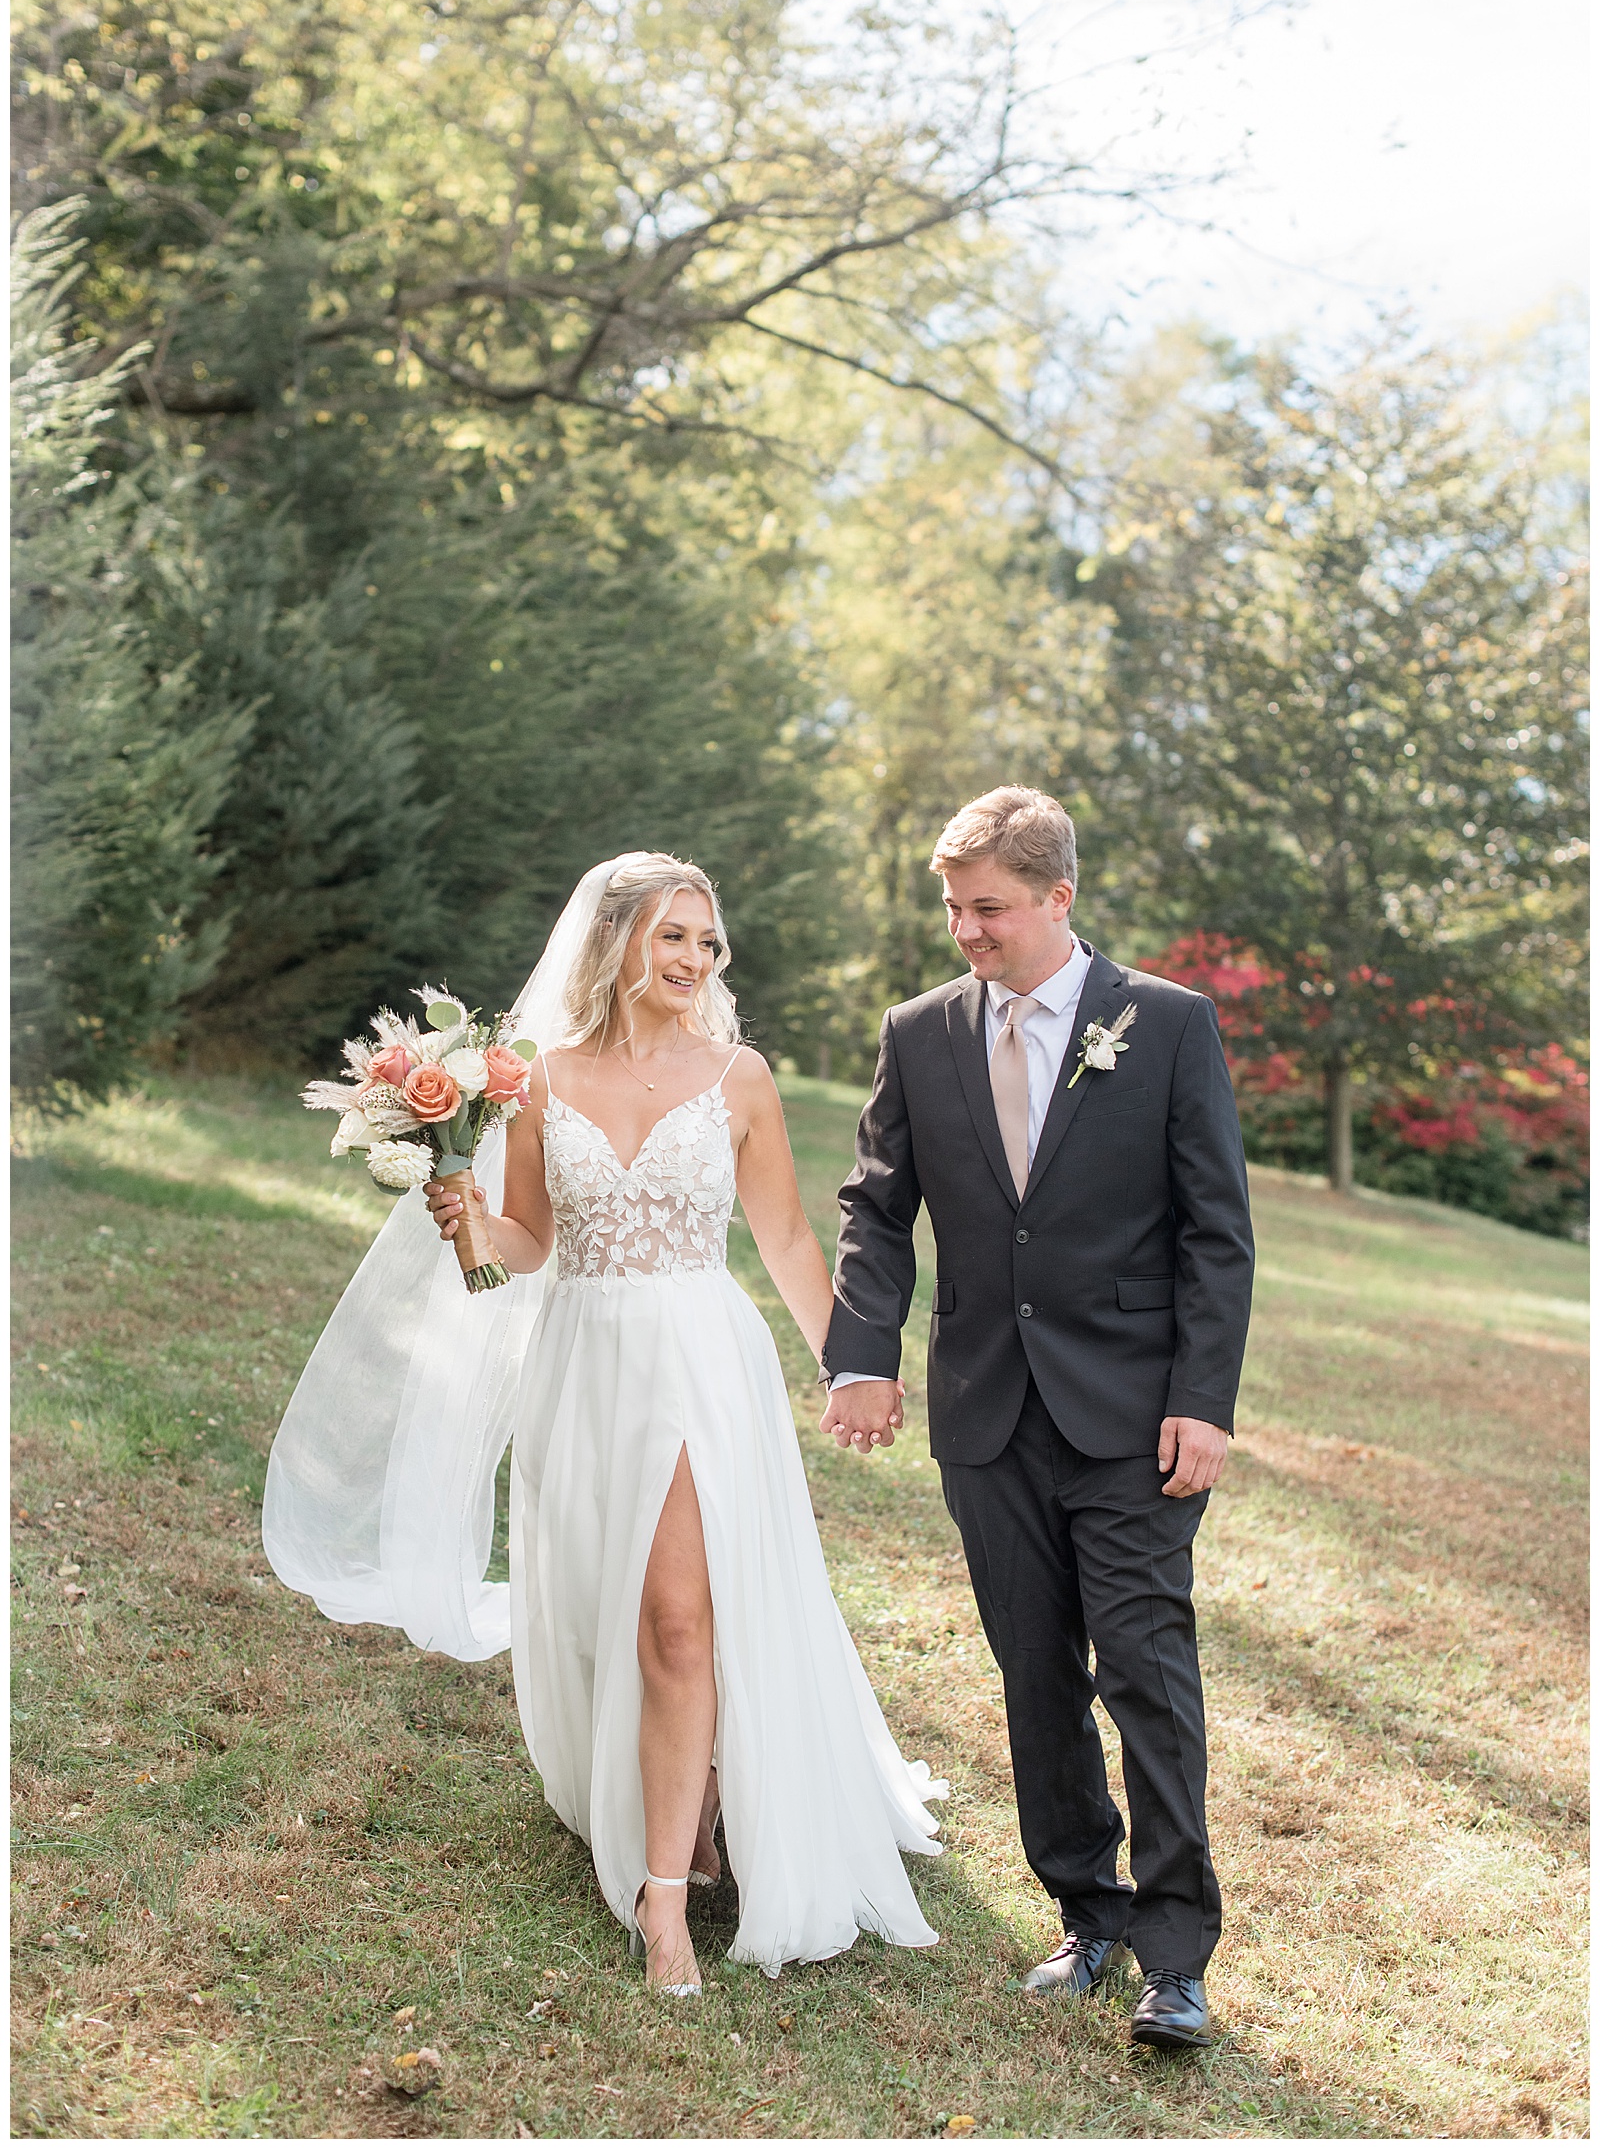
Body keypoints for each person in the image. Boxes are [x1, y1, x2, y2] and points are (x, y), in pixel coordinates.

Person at [264, 853, 943, 1997]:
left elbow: (782, 1239)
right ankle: (700, 1800)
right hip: (581, 1368)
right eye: (671, 937)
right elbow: (522, 1251)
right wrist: (467, 1222)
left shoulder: (741, 1077)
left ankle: (665, 1897)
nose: (692, 961)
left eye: (706, 943)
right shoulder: (534, 1081)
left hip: (697, 1360)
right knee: (612, 1616)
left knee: (682, 1623)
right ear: (615, 941)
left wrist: (854, 1365)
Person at [818, 786, 1253, 2049]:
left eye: (989, 907)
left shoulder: (1163, 1024)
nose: (966, 929)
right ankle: (1088, 1907)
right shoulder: (921, 1031)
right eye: (953, 907)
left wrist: (1201, 1404)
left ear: (1059, 898)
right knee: (1033, 1677)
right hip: (986, 1411)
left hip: (1133, 1417)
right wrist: (863, 1354)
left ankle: (1176, 1953)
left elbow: (1216, 1235)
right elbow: (875, 1205)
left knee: (1145, 1674)